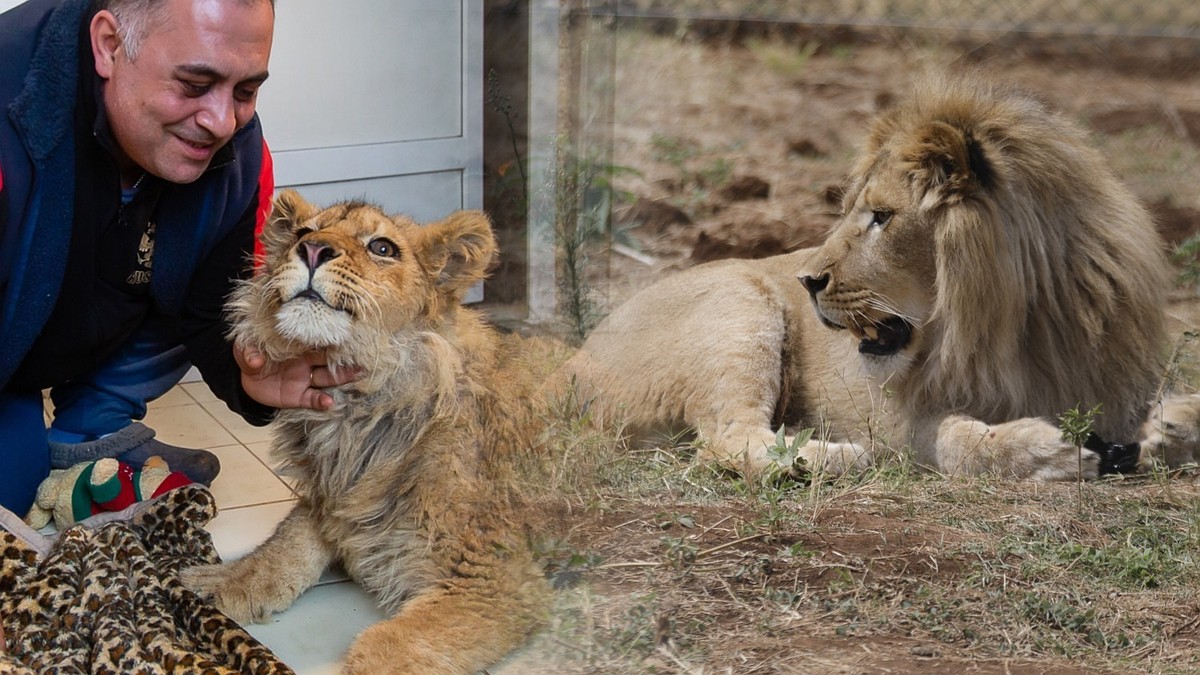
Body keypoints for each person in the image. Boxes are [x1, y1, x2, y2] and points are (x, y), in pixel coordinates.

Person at [0, 0, 356, 517]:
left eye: (246, 90)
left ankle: (93, 430)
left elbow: (214, 307)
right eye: (193, 84)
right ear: (109, 45)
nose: (220, 122)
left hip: (85, 311)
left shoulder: (241, 158)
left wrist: (248, 373)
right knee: (14, 507)